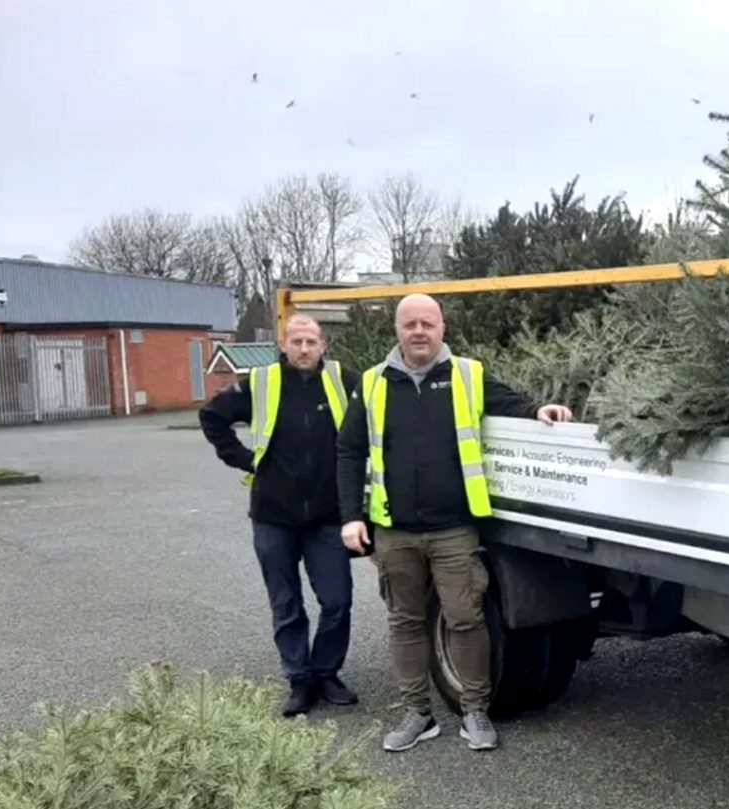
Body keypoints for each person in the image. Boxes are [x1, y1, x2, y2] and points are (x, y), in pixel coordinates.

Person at [337, 293, 571, 752]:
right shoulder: (373, 383)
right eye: (410, 324)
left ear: (442, 328)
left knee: (465, 619)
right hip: (395, 531)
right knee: (405, 622)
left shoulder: (467, 374)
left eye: (427, 323)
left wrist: (538, 411)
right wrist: (349, 517)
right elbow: (348, 451)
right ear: (397, 330)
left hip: (454, 530)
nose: (419, 331)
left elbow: (510, 402)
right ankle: (417, 714)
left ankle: (474, 711)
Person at [200, 314, 362, 717]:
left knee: (337, 601)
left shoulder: (345, 381)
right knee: (286, 603)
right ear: (283, 345)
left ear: (324, 346)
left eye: (311, 342)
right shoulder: (261, 382)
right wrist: (245, 459)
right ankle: (300, 679)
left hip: (328, 515)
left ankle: (326, 673)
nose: (304, 349)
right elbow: (212, 416)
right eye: (296, 342)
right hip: (273, 515)